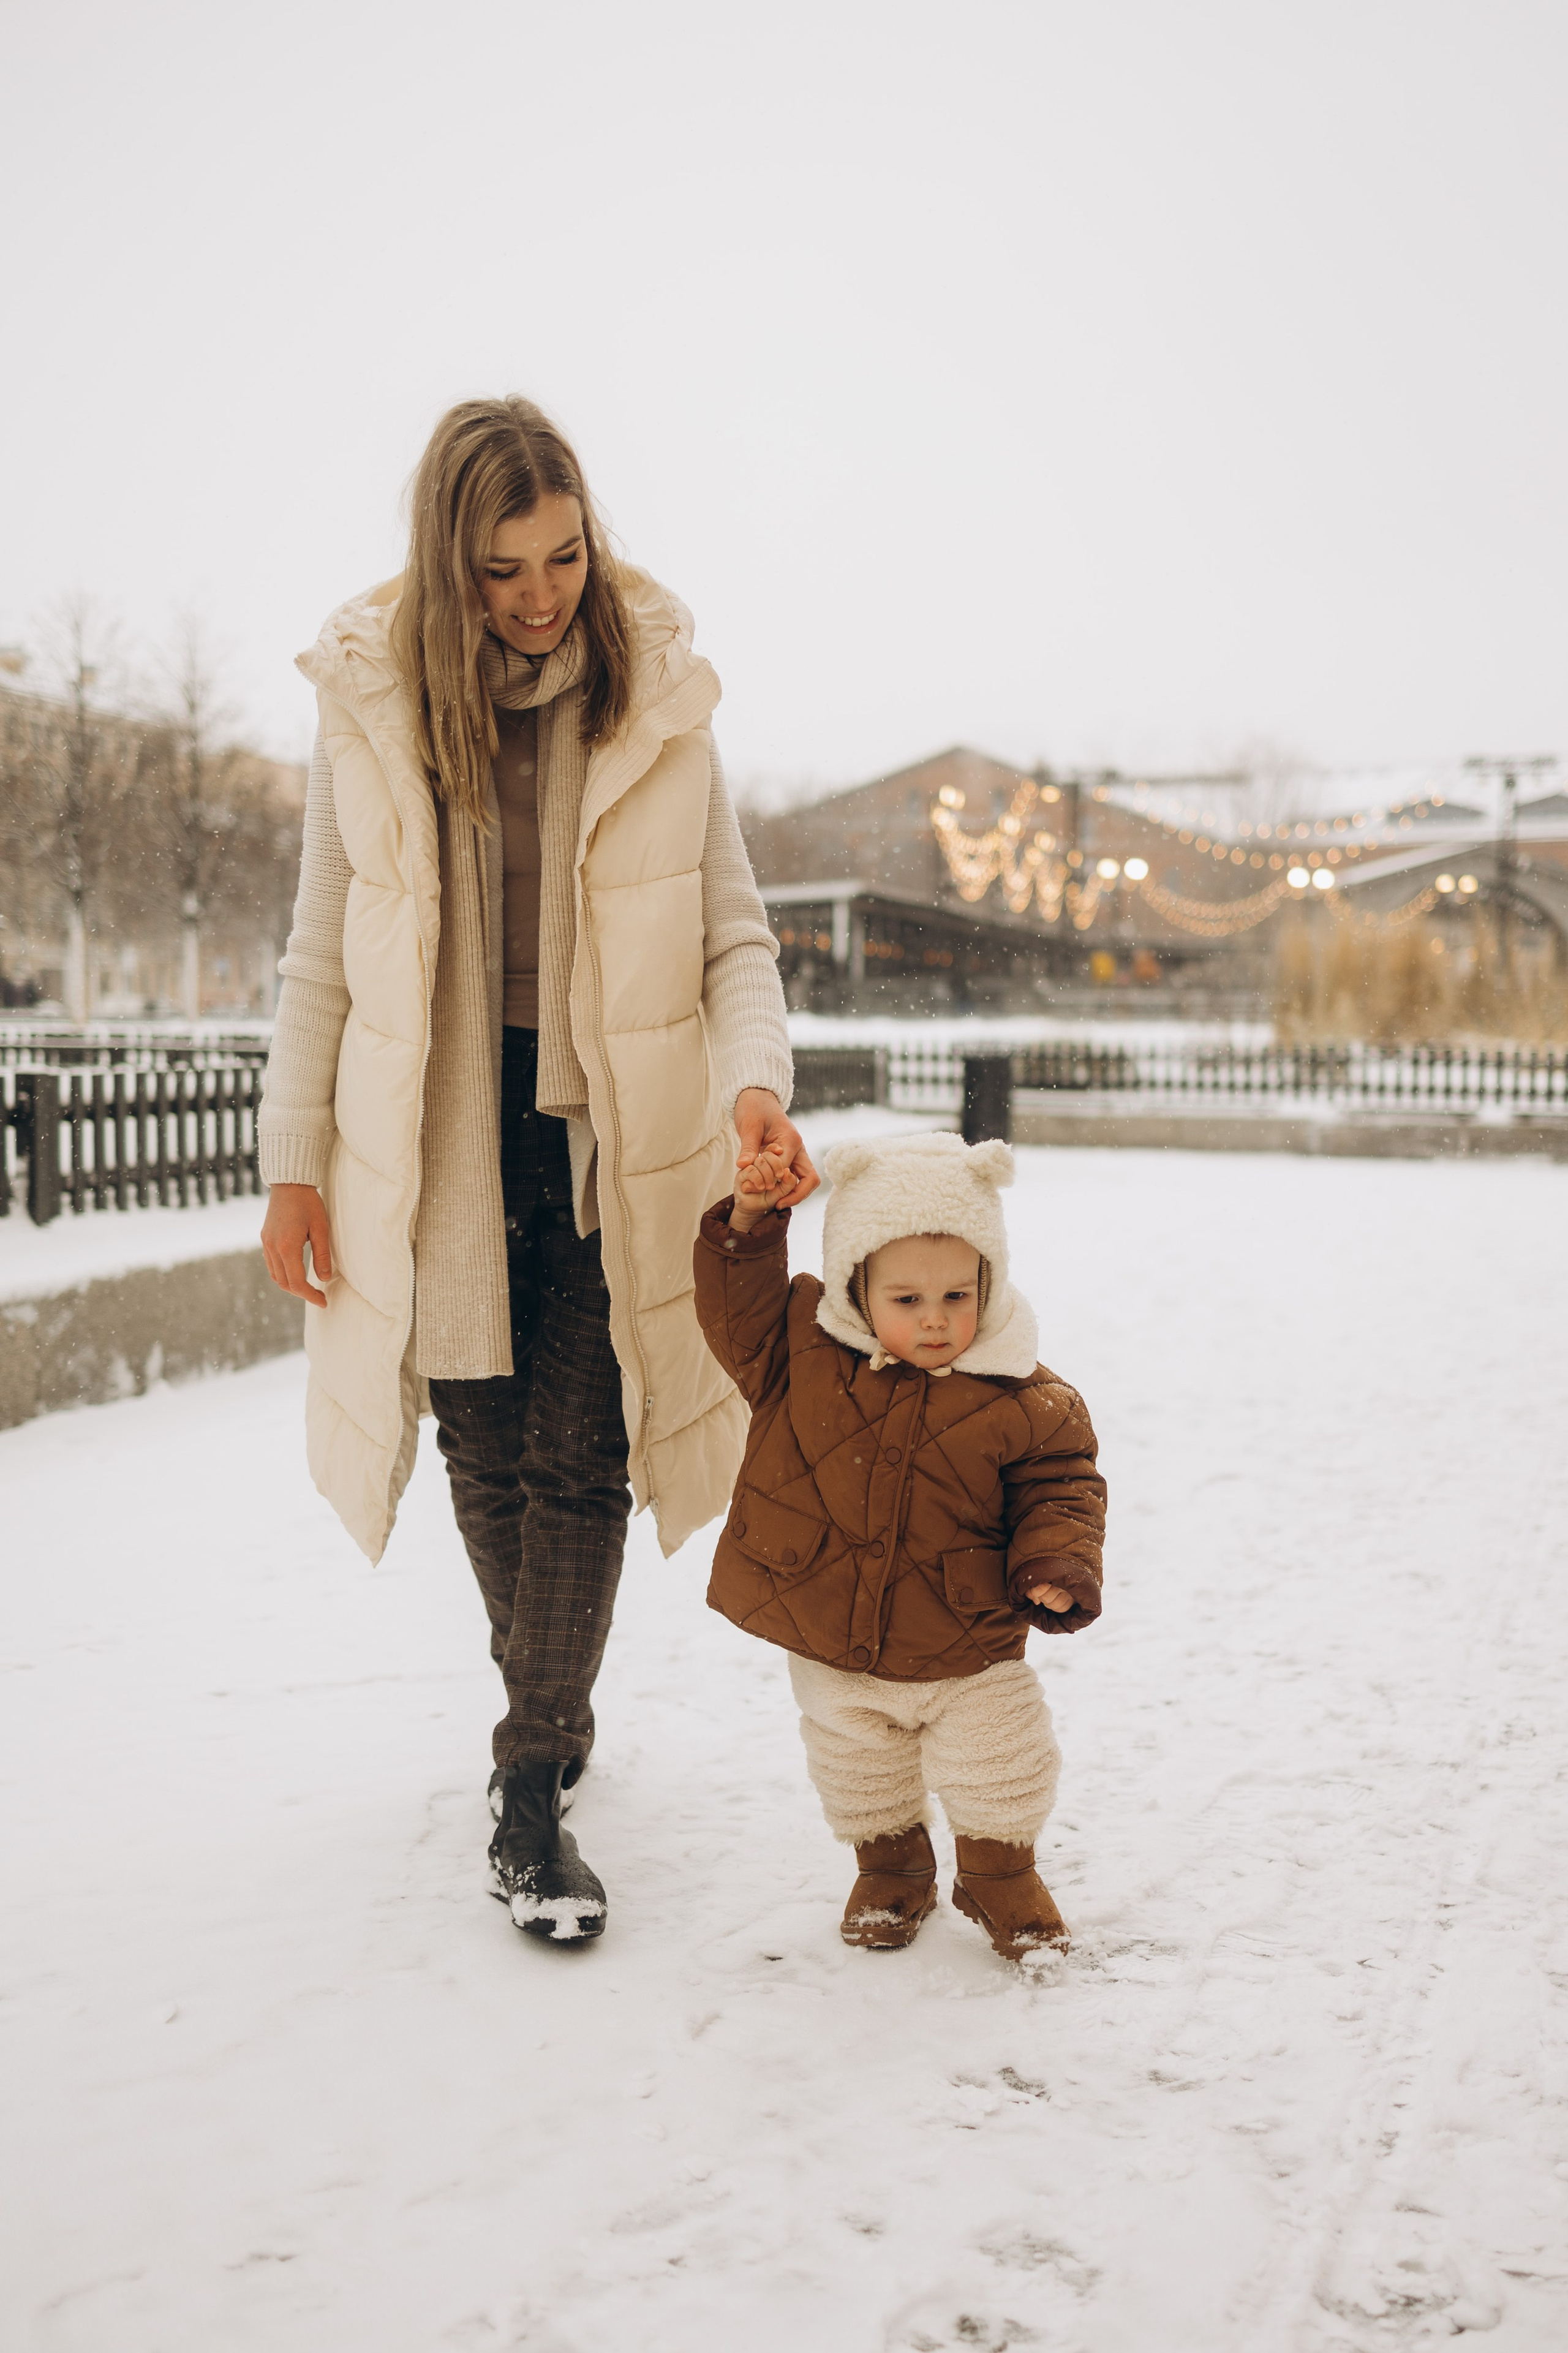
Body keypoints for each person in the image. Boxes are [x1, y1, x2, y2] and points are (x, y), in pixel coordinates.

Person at [258, 396, 813, 1944]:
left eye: (563, 555)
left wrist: (754, 1087)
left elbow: (732, 937)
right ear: (450, 566)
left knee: (583, 1450)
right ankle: (552, 1702)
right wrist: (292, 1163)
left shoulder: (655, 696)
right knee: (485, 1447)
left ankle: (526, 1782)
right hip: (434, 1130)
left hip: (606, 1128)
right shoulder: (372, 707)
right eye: (501, 569)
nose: (539, 594)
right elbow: (319, 956)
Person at [692, 1130, 1105, 1961]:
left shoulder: (1027, 1397)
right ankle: (891, 1868)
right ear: (856, 1285)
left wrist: (1055, 1561)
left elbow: (1062, 1485)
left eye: (958, 1294)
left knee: (1001, 1760)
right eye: (907, 1298)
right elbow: (735, 1306)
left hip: (968, 1636)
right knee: (858, 1764)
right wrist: (750, 1222)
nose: (936, 1318)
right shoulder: (797, 1354)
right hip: (832, 1631)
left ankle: (999, 1873)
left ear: (989, 1280)